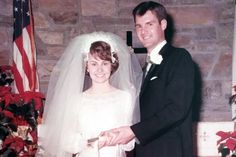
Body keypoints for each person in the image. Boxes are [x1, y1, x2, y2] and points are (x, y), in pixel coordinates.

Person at [100, 1, 195, 157]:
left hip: (169, 151)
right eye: (139, 26)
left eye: (149, 24)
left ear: (163, 24)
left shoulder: (179, 58)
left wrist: (133, 131)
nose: (143, 31)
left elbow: (177, 109)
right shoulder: (145, 68)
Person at [36, 32, 143, 157]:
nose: (99, 69)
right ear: (87, 66)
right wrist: (95, 143)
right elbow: (67, 142)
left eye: (105, 63)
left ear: (112, 65)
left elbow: (129, 143)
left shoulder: (125, 98)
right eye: (94, 64)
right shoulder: (76, 100)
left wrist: (117, 138)